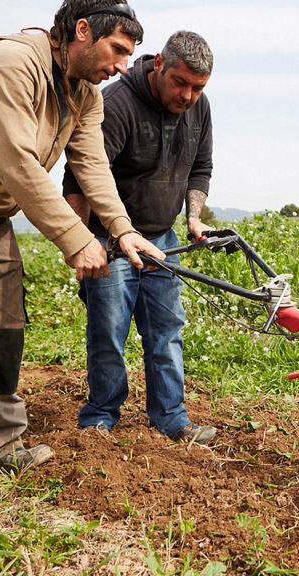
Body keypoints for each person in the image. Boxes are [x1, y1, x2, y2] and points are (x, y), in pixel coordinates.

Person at [0, 0, 166, 522]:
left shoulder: (85, 94)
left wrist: (123, 229)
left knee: (2, 330)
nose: (122, 66)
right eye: (117, 50)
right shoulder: (10, 62)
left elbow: (92, 164)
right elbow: (15, 160)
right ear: (82, 30)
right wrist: (75, 238)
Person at [63, 31, 217, 445]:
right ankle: (100, 418)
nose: (187, 96)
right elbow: (79, 176)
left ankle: (171, 418)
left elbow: (200, 167)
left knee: (167, 330)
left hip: (163, 240)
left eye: (198, 88)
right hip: (110, 241)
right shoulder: (117, 104)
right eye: (180, 83)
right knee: (109, 332)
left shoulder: (199, 107)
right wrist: (80, 242)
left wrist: (194, 219)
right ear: (160, 64)